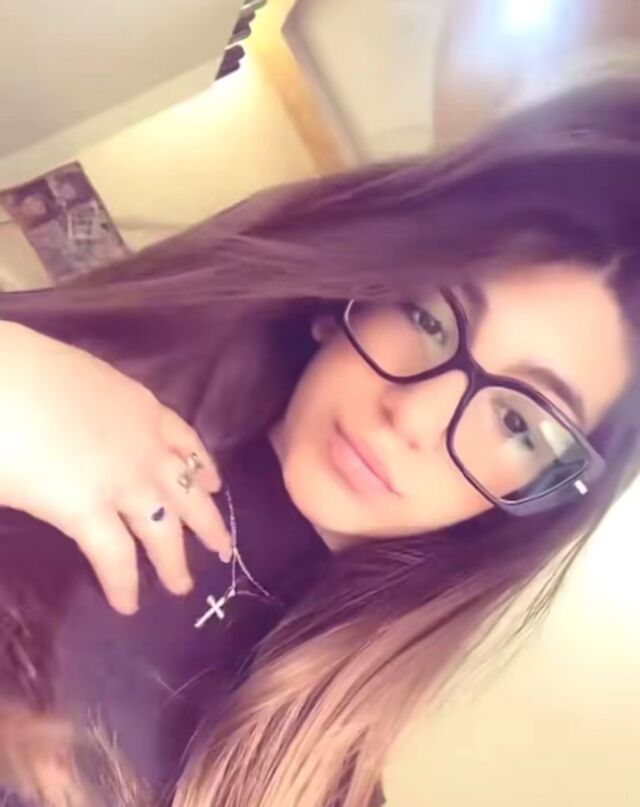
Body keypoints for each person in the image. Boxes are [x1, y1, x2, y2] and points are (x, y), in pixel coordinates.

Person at [0, 81, 639, 807]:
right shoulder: (50, 392)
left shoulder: (310, 782)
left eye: (518, 422)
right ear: (354, 299)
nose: (415, 416)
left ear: (536, 492)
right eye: (431, 319)